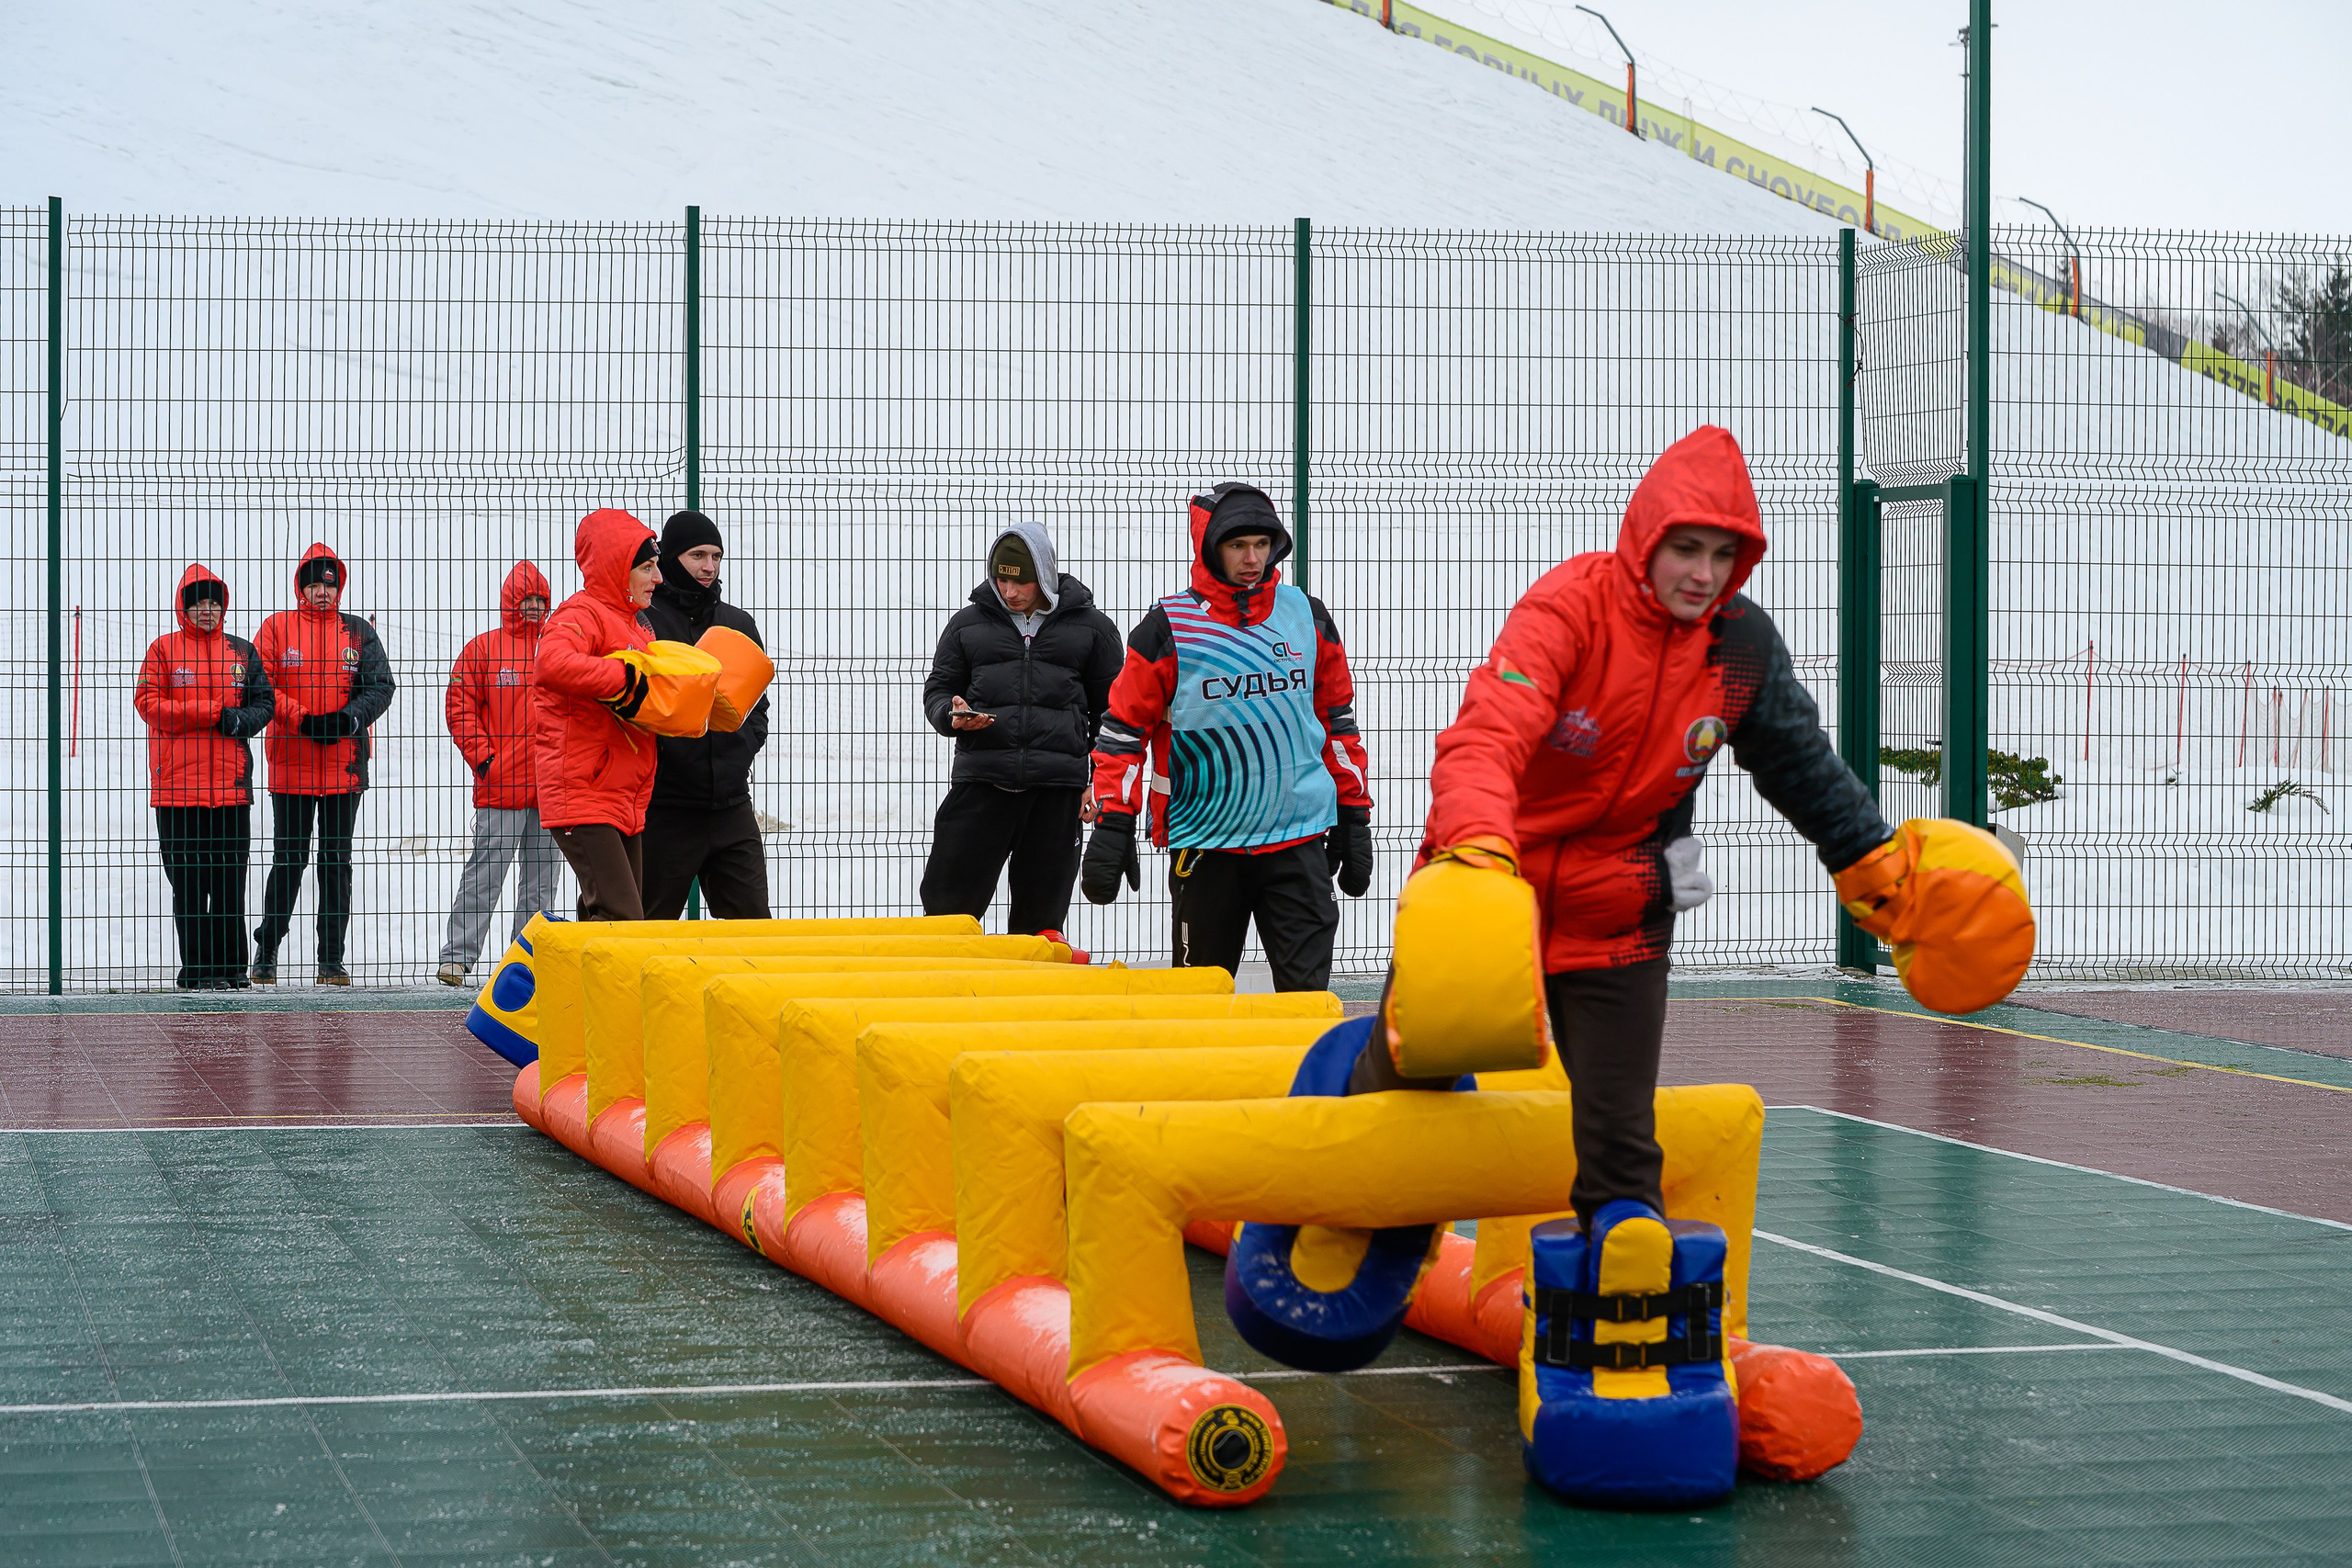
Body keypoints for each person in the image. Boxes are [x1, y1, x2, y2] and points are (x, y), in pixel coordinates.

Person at [1389, 424, 1895, 1226]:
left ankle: (1623, 1297)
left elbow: (1801, 765)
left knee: (1621, 1144)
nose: (1702, 575)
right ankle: (1333, 1231)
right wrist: (1479, 849)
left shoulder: (1739, 647)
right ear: (1646, 538)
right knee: (1402, 1094)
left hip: (1618, 916)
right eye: (1686, 549)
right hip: (1490, 894)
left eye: (1723, 556)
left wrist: (1873, 863)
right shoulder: (1571, 607)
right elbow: (1487, 735)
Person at [1080, 483, 1374, 991]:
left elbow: (1336, 722)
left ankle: (1302, 1075)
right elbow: (1124, 733)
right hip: (1207, 844)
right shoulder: (1167, 628)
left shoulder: (1307, 616)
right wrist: (1112, 821)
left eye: (1262, 544)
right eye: (1237, 546)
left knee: (1305, 1006)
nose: (1252, 558)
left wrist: (1354, 812)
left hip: (1298, 837)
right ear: (1209, 547)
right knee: (1201, 1005)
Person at [920, 522, 1123, 943]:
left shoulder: (1094, 630)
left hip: (1056, 794)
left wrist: (1098, 782)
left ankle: (1031, 1006)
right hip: (980, 784)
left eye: (1020, 580)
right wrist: (950, 715)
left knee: (1040, 926)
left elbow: (1112, 715)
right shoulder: (966, 626)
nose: (1009, 591)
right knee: (946, 913)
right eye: (1001, 578)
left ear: (1044, 575)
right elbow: (939, 690)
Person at [251, 544, 396, 985]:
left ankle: (331, 960)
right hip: (291, 765)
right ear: (301, 586)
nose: (321, 593)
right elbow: (262, 686)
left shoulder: (358, 632)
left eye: (329, 585)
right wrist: (304, 719)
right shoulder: (276, 628)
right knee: (288, 860)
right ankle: (267, 952)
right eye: (313, 584)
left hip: (343, 768)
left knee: (336, 863)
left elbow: (381, 686)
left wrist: (347, 719)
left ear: (339, 588)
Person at [133, 566, 275, 989]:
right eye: (199, 604)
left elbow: (264, 704)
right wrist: (209, 711)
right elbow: (147, 702)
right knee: (189, 884)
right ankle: (196, 969)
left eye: (214, 603)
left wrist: (235, 721)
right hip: (176, 790)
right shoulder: (162, 650)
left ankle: (232, 968)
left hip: (230, 789)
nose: (208, 611)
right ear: (184, 608)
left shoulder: (242, 653)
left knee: (230, 881)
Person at [639, 510, 773, 920]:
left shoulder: (737, 623)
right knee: (645, 929)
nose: (708, 566)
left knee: (754, 930)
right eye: (697, 555)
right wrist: (670, 758)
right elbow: (632, 701)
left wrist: (743, 749)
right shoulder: (645, 621)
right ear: (670, 558)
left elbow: (757, 703)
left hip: (731, 806)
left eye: (716, 556)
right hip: (665, 808)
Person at [435, 560, 561, 985]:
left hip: (551, 786)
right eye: (525, 600)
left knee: (541, 882)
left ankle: (526, 964)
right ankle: (457, 956)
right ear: (509, 602)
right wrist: (484, 758)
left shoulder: (556, 648)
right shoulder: (483, 649)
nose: (532, 607)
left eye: (539, 600)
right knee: (485, 873)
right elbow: (460, 708)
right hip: (502, 783)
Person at [534, 508, 662, 921]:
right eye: (646, 567)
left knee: (603, 920)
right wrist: (621, 676)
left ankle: (563, 983)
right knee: (623, 921)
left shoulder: (638, 628)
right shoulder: (579, 614)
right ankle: (531, 977)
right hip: (584, 793)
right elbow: (550, 664)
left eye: (656, 566)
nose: (657, 578)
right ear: (616, 568)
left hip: (622, 794)